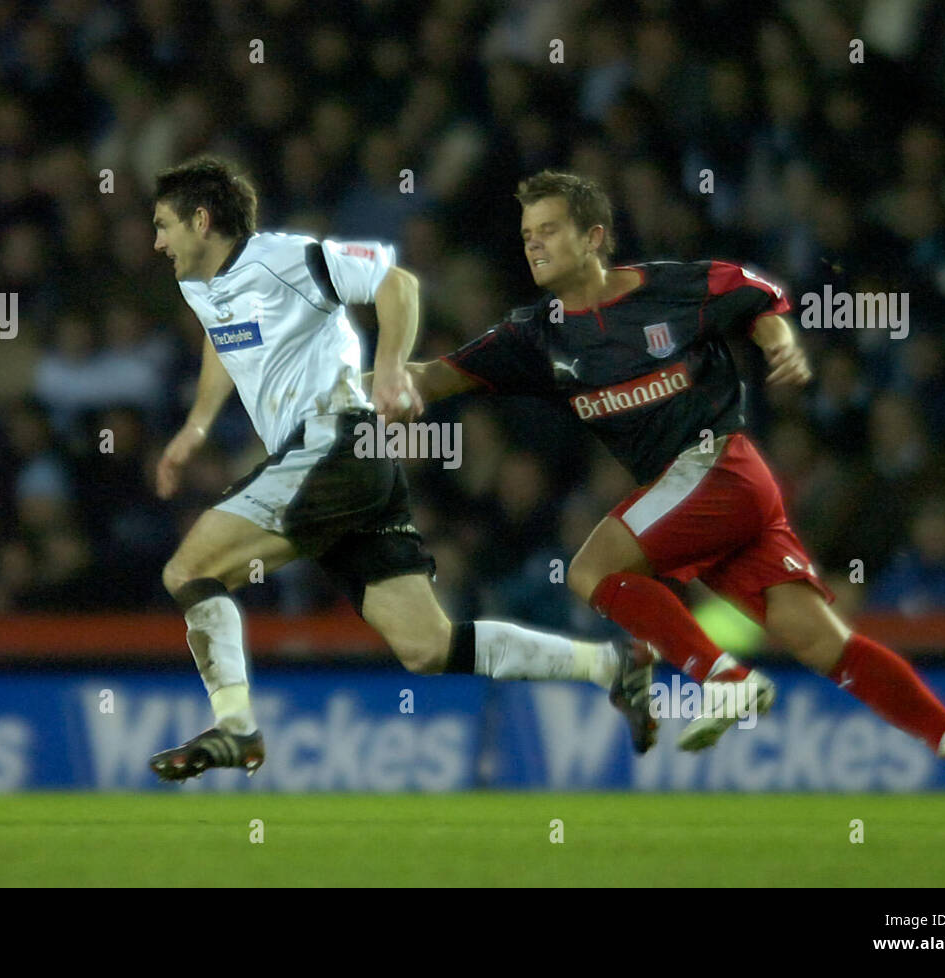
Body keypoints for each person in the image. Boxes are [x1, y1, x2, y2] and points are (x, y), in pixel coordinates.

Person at [398, 170, 945, 822]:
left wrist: (782, 347)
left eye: (549, 229)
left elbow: (761, 297)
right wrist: (359, 385)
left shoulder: (671, 287)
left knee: (590, 568)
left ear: (595, 236)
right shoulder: (536, 337)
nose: (535, 245)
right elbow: (438, 378)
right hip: (705, 497)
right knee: (819, 642)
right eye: (527, 235)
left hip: (719, 465)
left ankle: (722, 678)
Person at [147, 157, 656, 782]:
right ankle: (614, 664)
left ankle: (236, 729)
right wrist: (197, 427)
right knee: (427, 645)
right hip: (353, 470)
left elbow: (398, 286)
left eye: (164, 225)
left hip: (332, 444)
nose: (157, 241)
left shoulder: (283, 258)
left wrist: (389, 367)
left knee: (190, 568)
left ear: (202, 220)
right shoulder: (200, 287)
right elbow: (223, 341)